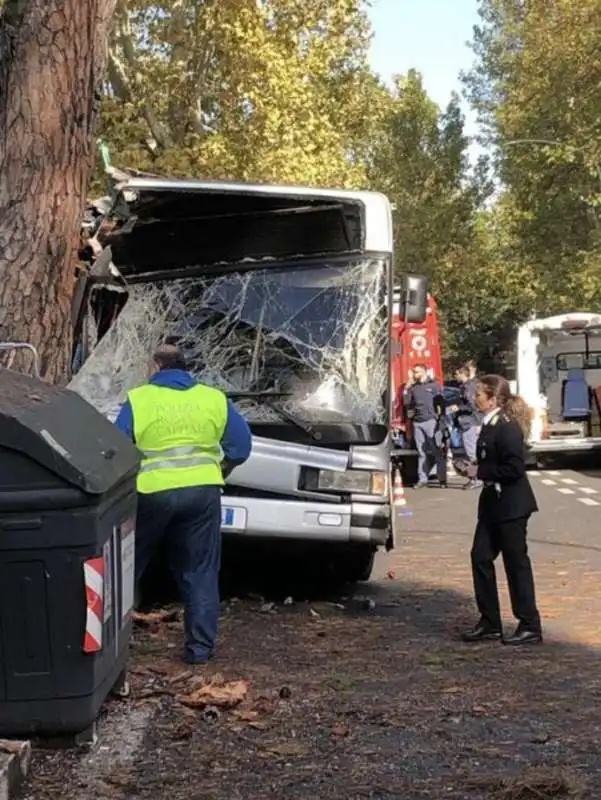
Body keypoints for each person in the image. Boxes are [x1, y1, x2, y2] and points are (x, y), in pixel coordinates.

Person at [115, 343, 252, 664]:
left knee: (128, 567)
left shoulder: (139, 400)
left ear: (155, 367)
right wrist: (220, 468)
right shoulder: (213, 398)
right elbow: (241, 447)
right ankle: (200, 650)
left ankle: (115, 650)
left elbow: (117, 447)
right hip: (202, 494)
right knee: (200, 572)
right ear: (186, 368)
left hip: (151, 494)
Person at [460, 374, 542, 646]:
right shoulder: (489, 424)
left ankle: (529, 623)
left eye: (480, 395)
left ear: (493, 399)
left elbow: (515, 468)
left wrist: (479, 471)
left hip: (511, 505)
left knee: (516, 564)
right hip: (492, 505)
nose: (475, 398)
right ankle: (490, 621)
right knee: (480, 557)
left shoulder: (506, 427)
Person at [404, 363, 447, 489]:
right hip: (417, 423)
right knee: (421, 453)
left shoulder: (434, 385)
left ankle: (442, 479)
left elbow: (441, 403)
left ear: (424, 372)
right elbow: (407, 402)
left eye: (417, 372)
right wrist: (407, 386)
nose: (415, 374)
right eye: (414, 372)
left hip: (431, 422)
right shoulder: (413, 388)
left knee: (437, 451)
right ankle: (422, 479)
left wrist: (440, 420)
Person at [455, 365, 483, 490]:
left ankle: (475, 478)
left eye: (457, 374)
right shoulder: (465, 387)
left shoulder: (469, 387)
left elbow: (472, 406)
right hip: (467, 422)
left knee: (471, 452)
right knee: (471, 451)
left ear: (463, 374)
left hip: (470, 422)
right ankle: (475, 477)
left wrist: (458, 408)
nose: (455, 376)